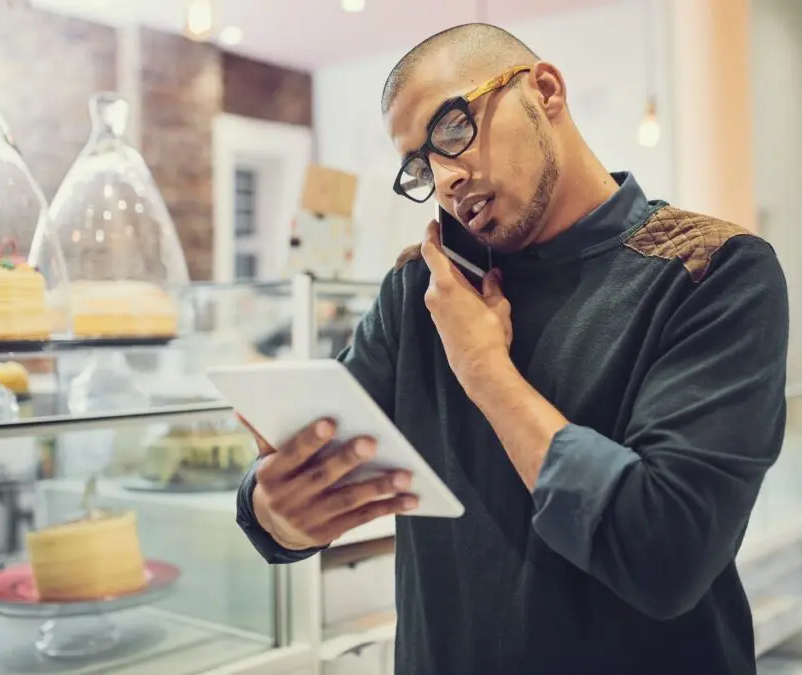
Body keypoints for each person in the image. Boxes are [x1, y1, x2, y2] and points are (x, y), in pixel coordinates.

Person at [235, 23, 789, 675]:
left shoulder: (712, 270)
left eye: (451, 129)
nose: (444, 177)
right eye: (419, 164)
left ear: (545, 91)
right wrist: (272, 513)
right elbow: (316, 465)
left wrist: (485, 371)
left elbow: (664, 555)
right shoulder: (423, 286)